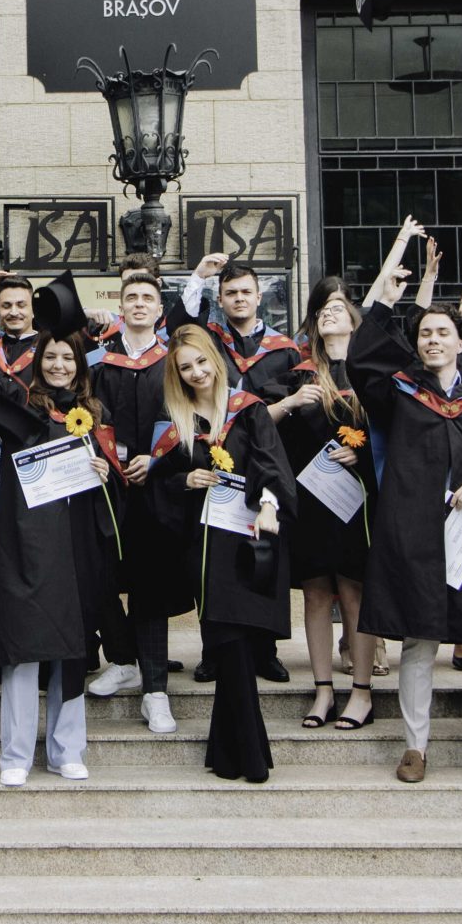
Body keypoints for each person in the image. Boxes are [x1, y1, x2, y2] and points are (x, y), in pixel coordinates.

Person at [347, 274, 462, 787]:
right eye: (425, 333)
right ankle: (415, 746)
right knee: (420, 639)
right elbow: (361, 362)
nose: (433, 340)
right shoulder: (399, 393)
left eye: (442, 333)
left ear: (459, 342)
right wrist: (384, 303)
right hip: (416, 533)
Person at [0, 306, 116, 786]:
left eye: (68, 357)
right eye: (51, 356)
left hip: (77, 542)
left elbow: (117, 477)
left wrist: (106, 473)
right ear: (37, 361)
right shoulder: (22, 404)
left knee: (73, 647)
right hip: (24, 542)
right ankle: (16, 753)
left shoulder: (96, 416)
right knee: (22, 645)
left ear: (80, 364)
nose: (59, 365)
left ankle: (67, 748)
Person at [146, 324, 296, 782]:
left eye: (200, 362)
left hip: (247, 540)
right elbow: (158, 484)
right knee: (226, 644)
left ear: (215, 358)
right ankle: (249, 757)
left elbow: (273, 464)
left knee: (240, 648)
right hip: (205, 549)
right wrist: (184, 481)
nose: (196, 373)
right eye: (185, 367)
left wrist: (270, 504)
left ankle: (230, 754)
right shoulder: (179, 424)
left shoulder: (249, 412)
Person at [175, 253, 305, 686]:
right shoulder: (210, 347)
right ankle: (215, 651)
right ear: (221, 298)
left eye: (245, 291)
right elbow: (178, 331)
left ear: (259, 295)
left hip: (267, 462)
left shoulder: (284, 351)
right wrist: (197, 276)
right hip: (215, 471)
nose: (238, 299)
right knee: (213, 565)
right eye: (229, 293)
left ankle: (264, 650)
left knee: (260, 561)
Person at [278, 281, 378, 732]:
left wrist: (365, 454)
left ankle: (360, 692)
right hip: (313, 499)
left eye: (338, 308)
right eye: (322, 311)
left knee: (354, 593)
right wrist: (291, 402)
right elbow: (267, 426)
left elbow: (400, 431)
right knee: (317, 594)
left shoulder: (371, 372)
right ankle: (322, 690)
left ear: (354, 319)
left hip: (356, 499)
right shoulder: (301, 373)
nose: (329, 314)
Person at [85, 267, 181, 728]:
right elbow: (81, 418)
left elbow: (195, 414)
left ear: (160, 309)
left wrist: (157, 459)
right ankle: (122, 660)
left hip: (158, 486)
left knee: (151, 585)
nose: (140, 303)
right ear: (120, 307)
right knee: (98, 576)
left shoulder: (176, 360)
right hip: (106, 483)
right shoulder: (99, 361)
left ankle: (156, 690)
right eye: (132, 297)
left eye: (148, 297)